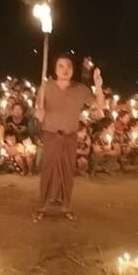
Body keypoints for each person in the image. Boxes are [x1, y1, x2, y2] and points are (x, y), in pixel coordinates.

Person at [33, 55, 105, 221]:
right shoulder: (46, 87)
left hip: (70, 137)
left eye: (68, 66)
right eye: (61, 66)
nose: (65, 70)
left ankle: (65, 206)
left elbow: (99, 106)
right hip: (51, 135)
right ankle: (42, 206)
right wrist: (38, 112)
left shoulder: (80, 90)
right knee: (48, 171)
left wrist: (98, 86)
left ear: (73, 69)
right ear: (55, 69)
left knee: (67, 172)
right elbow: (38, 109)